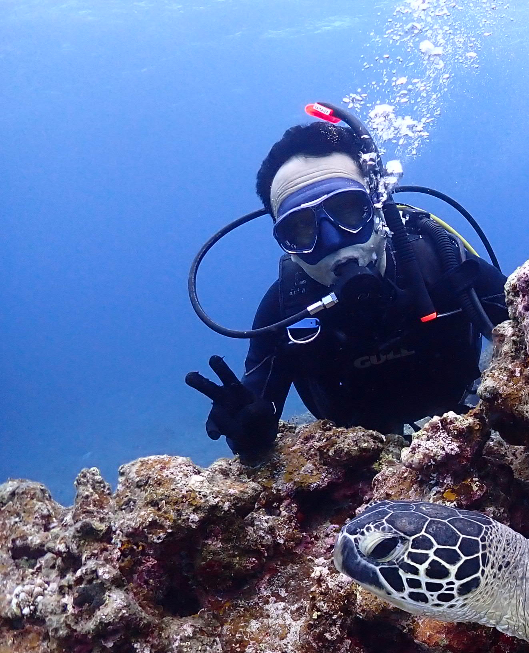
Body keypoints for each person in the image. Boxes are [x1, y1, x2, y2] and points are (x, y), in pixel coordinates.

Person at [186, 121, 508, 460]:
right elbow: (253, 412)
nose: (334, 239)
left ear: (379, 205)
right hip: (356, 455)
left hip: (467, 422)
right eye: (301, 228)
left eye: (348, 210)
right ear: (288, 246)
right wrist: (247, 432)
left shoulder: (440, 259)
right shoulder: (284, 310)